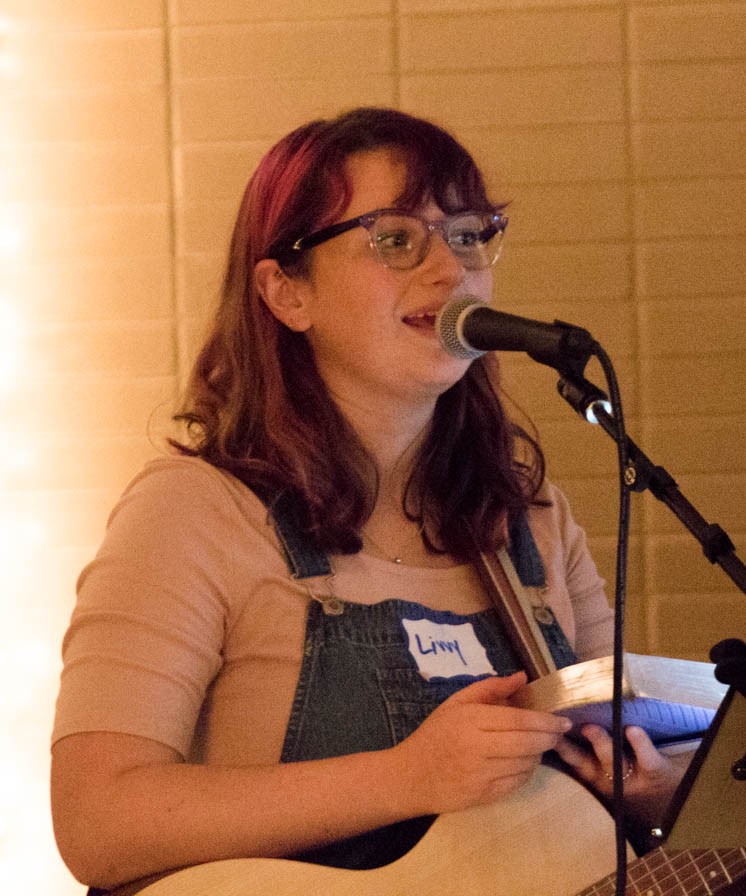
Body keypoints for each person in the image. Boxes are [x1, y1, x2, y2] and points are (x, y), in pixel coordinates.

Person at [50, 107, 676, 891]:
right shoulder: (193, 513)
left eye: (468, 234)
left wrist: (659, 791)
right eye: (396, 239)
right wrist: (407, 777)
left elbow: (625, 776)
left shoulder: (528, 519)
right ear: (286, 293)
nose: (451, 272)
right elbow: (97, 821)